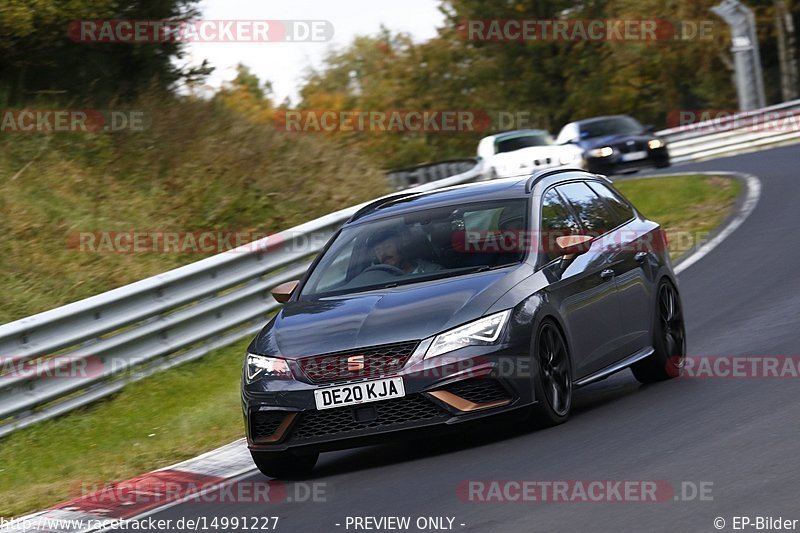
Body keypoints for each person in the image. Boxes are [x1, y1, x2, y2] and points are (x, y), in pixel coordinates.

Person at [370, 230, 441, 274]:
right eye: (378, 251)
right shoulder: (376, 281)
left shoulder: (432, 271)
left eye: (387, 247)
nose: (382, 254)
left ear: (401, 247)